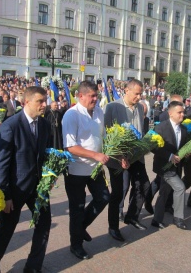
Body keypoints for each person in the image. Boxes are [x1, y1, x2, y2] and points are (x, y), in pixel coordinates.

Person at [0, 86, 51, 273]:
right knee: (7, 227)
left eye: (45, 100)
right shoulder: (11, 125)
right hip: (15, 189)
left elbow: (45, 154)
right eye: (40, 101)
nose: (44, 105)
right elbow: (2, 164)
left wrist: (50, 175)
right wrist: (5, 194)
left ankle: (33, 266)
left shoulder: (45, 125)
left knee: (44, 224)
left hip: (38, 188)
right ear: (26, 102)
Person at [62, 81, 127, 260]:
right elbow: (69, 147)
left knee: (104, 197)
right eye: (92, 96)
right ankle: (76, 245)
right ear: (80, 96)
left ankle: (80, 227)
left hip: (95, 168)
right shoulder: (71, 115)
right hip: (76, 169)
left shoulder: (99, 111)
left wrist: (117, 155)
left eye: (96, 95)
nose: (95, 99)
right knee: (77, 207)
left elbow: (104, 138)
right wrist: (95, 155)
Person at [104, 79, 150, 242]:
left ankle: (131, 216)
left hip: (135, 155)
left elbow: (140, 131)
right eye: (136, 93)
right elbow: (107, 135)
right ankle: (113, 227)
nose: (139, 97)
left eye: (141, 94)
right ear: (126, 91)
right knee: (118, 192)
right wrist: (120, 156)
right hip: (117, 157)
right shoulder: (112, 107)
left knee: (144, 185)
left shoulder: (139, 108)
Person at [151, 101, 190, 230]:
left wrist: (186, 153)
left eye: (183, 112)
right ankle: (178, 218)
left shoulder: (184, 129)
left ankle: (156, 219)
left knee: (164, 191)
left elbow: (182, 147)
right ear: (170, 113)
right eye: (179, 112)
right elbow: (154, 147)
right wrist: (169, 156)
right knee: (180, 187)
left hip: (177, 166)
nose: (182, 114)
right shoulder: (161, 127)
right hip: (164, 166)